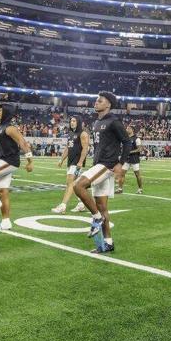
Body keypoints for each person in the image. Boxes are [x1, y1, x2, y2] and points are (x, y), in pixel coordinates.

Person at [73, 92, 131, 253]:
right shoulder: (96, 122)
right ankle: (108, 242)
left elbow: (127, 142)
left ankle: (96, 218)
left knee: (78, 186)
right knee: (102, 206)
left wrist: (121, 163)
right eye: (96, 100)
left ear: (108, 105)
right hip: (99, 163)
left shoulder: (114, 121)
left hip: (107, 164)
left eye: (100, 101)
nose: (96, 102)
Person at [0, 103, 34, 231]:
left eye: (0, 110)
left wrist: (30, 161)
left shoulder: (10, 128)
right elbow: (0, 147)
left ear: (6, 112)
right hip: (3, 160)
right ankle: (6, 222)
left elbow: (23, 143)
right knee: (2, 192)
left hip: (9, 161)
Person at [52, 115, 89, 214]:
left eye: (74, 121)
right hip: (71, 162)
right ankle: (82, 204)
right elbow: (68, 148)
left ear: (78, 122)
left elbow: (85, 148)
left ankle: (63, 206)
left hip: (76, 163)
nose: (71, 122)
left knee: (70, 183)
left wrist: (80, 162)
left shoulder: (83, 133)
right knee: (77, 185)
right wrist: (61, 160)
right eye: (71, 121)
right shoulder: (71, 133)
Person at [117, 125, 144, 194]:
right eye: (127, 128)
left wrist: (130, 152)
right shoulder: (125, 138)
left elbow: (140, 149)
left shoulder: (137, 139)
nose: (127, 129)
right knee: (122, 173)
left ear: (132, 130)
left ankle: (140, 189)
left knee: (137, 174)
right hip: (126, 159)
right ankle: (120, 189)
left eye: (128, 128)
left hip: (134, 159)